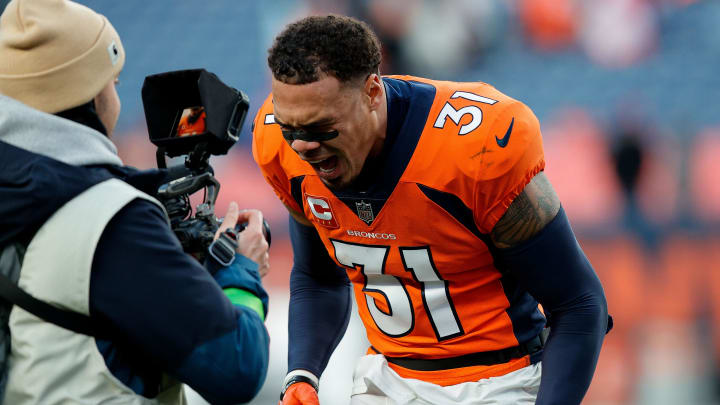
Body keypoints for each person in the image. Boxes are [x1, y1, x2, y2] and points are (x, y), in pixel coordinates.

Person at [252, 15, 611, 405]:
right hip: (388, 379)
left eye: (321, 127)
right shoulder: (281, 147)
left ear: (372, 93)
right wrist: (302, 373)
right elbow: (318, 276)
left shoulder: (472, 148)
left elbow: (578, 302)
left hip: (500, 382)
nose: (303, 146)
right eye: (291, 130)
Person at [0, 0, 270, 403]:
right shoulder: (112, 221)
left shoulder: (24, 190)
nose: (117, 95)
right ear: (88, 95)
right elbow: (238, 367)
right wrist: (240, 270)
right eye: (114, 81)